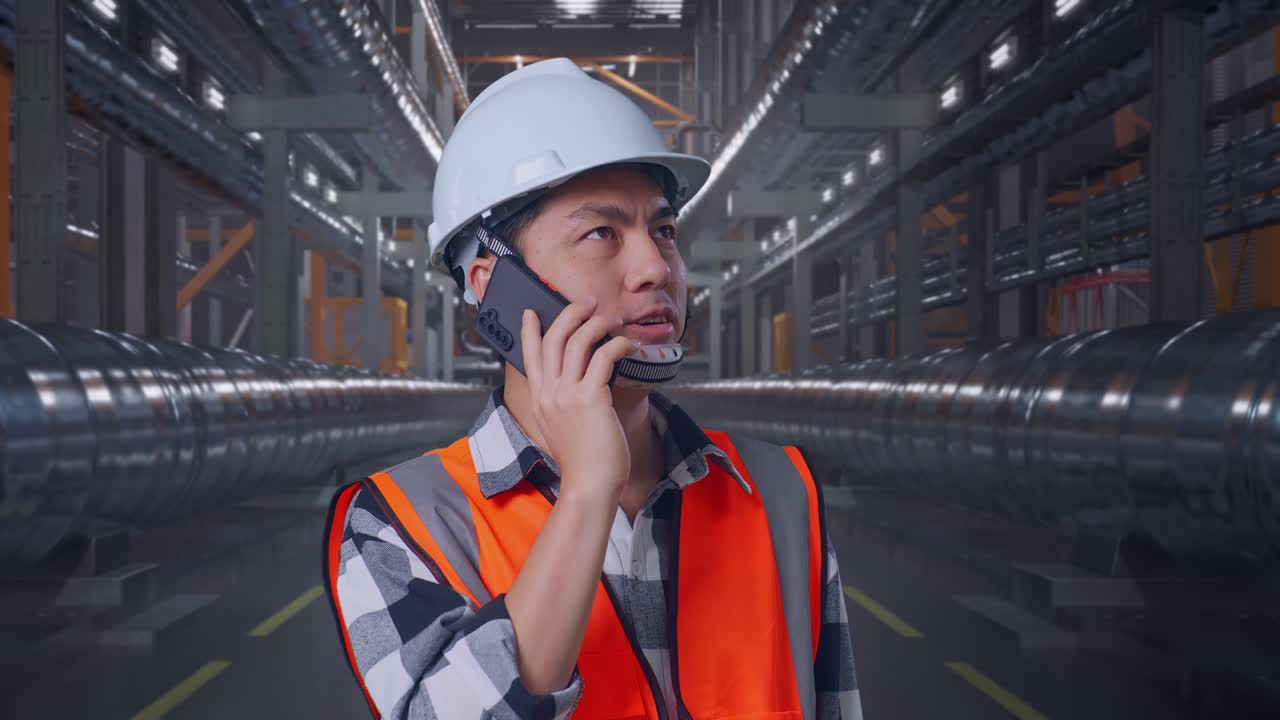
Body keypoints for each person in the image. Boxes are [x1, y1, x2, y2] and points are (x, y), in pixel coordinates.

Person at [322, 57, 862, 720]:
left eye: (662, 230)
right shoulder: (399, 522)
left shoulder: (780, 491)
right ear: (492, 287)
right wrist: (586, 492)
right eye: (601, 232)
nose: (655, 267)